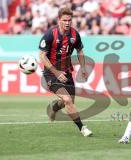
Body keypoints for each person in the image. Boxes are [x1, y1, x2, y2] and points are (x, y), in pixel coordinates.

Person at [39, 7, 92, 137]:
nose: (67, 23)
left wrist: (83, 68)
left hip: (67, 73)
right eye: (64, 20)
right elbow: (42, 56)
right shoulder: (50, 34)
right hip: (51, 73)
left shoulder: (75, 34)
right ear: (59, 20)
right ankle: (82, 128)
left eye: (69, 20)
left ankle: (54, 107)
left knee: (68, 102)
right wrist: (56, 72)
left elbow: (79, 51)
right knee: (67, 100)